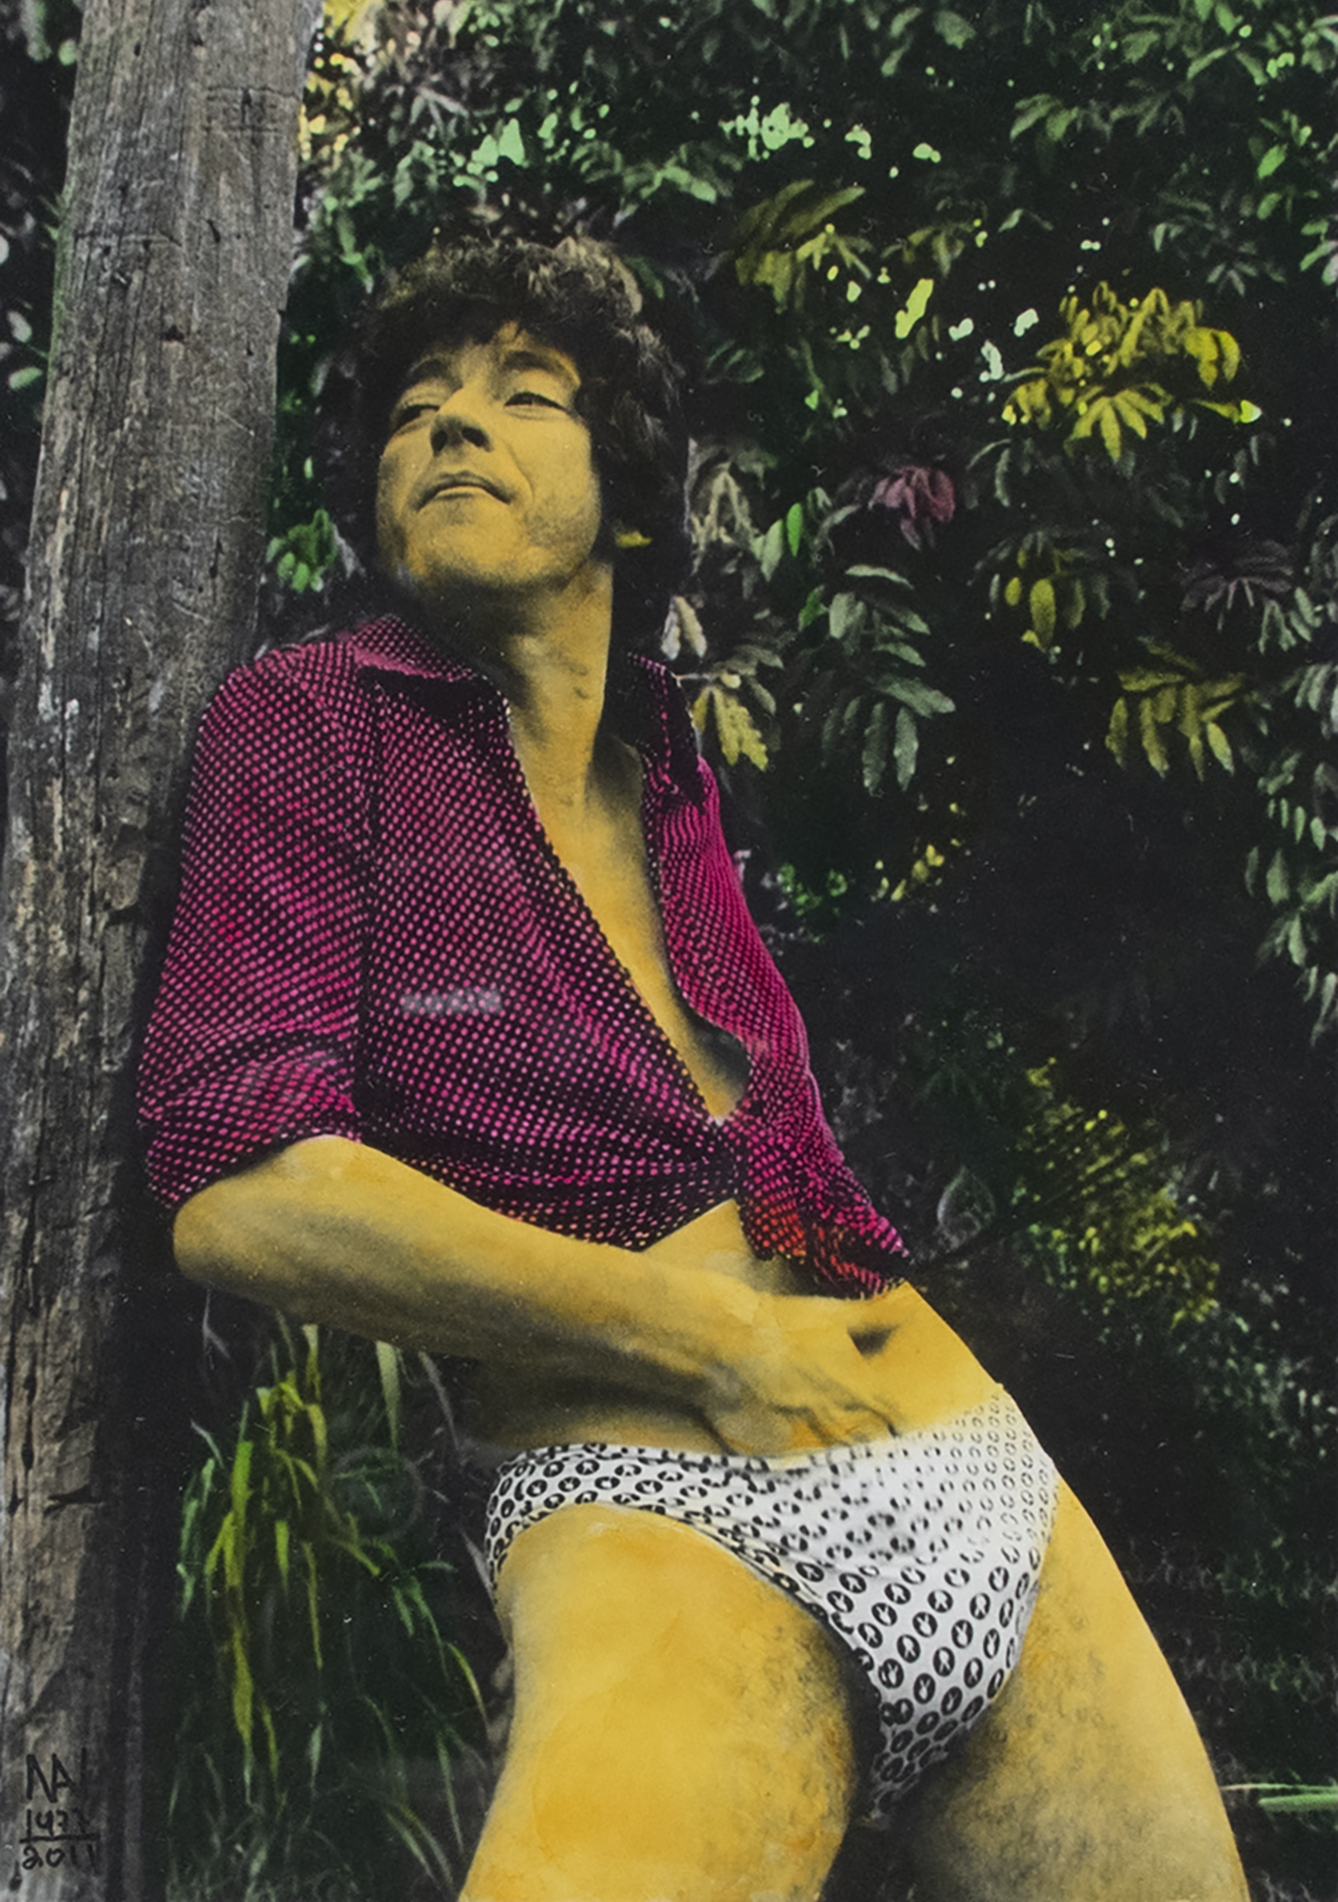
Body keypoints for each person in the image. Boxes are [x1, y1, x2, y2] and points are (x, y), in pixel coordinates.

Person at [139, 235, 1247, 1901]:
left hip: (969, 1470)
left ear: (630, 496)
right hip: (653, 1498)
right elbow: (246, 1190)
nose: (450, 428)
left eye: (523, 396)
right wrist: (712, 1342)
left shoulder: (668, 769)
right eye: (415, 409)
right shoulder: (311, 722)